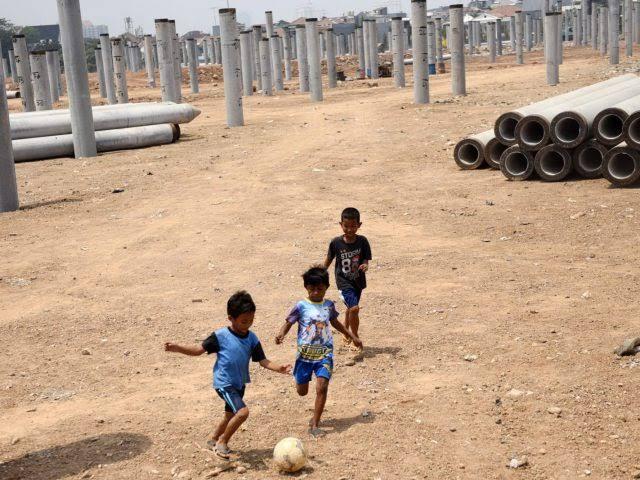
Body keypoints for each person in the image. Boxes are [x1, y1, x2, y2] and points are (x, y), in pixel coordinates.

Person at [165, 291, 291, 459]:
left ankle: (213, 439)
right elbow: (198, 350)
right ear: (230, 318)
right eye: (243, 321)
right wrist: (177, 347)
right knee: (243, 412)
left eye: (251, 320)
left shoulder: (252, 338)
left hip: (239, 384)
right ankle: (222, 442)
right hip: (224, 383)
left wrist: (279, 368)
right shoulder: (220, 336)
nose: (247, 324)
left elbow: (263, 361)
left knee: (230, 415)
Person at [275, 266, 362, 437]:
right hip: (305, 356)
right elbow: (289, 322)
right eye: (311, 288)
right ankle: (301, 381)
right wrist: (281, 334)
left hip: (324, 354)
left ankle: (315, 424)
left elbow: (335, 323)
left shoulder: (328, 306)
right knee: (302, 391)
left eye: (319, 289)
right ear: (306, 287)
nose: (315, 292)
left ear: (326, 287)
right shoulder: (301, 306)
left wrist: (352, 335)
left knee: (322, 386)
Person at [324, 207, 372, 356]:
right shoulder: (336, 243)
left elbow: (366, 258)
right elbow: (329, 260)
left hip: (358, 281)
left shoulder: (363, 241)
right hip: (343, 281)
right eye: (346, 226)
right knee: (354, 309)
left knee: (351, 308)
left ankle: (344, 332)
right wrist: (320, 273)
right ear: (341, 224)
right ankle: (355, 339)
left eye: (353, 226)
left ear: (359, 225)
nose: (350, 229)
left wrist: (365, 265)